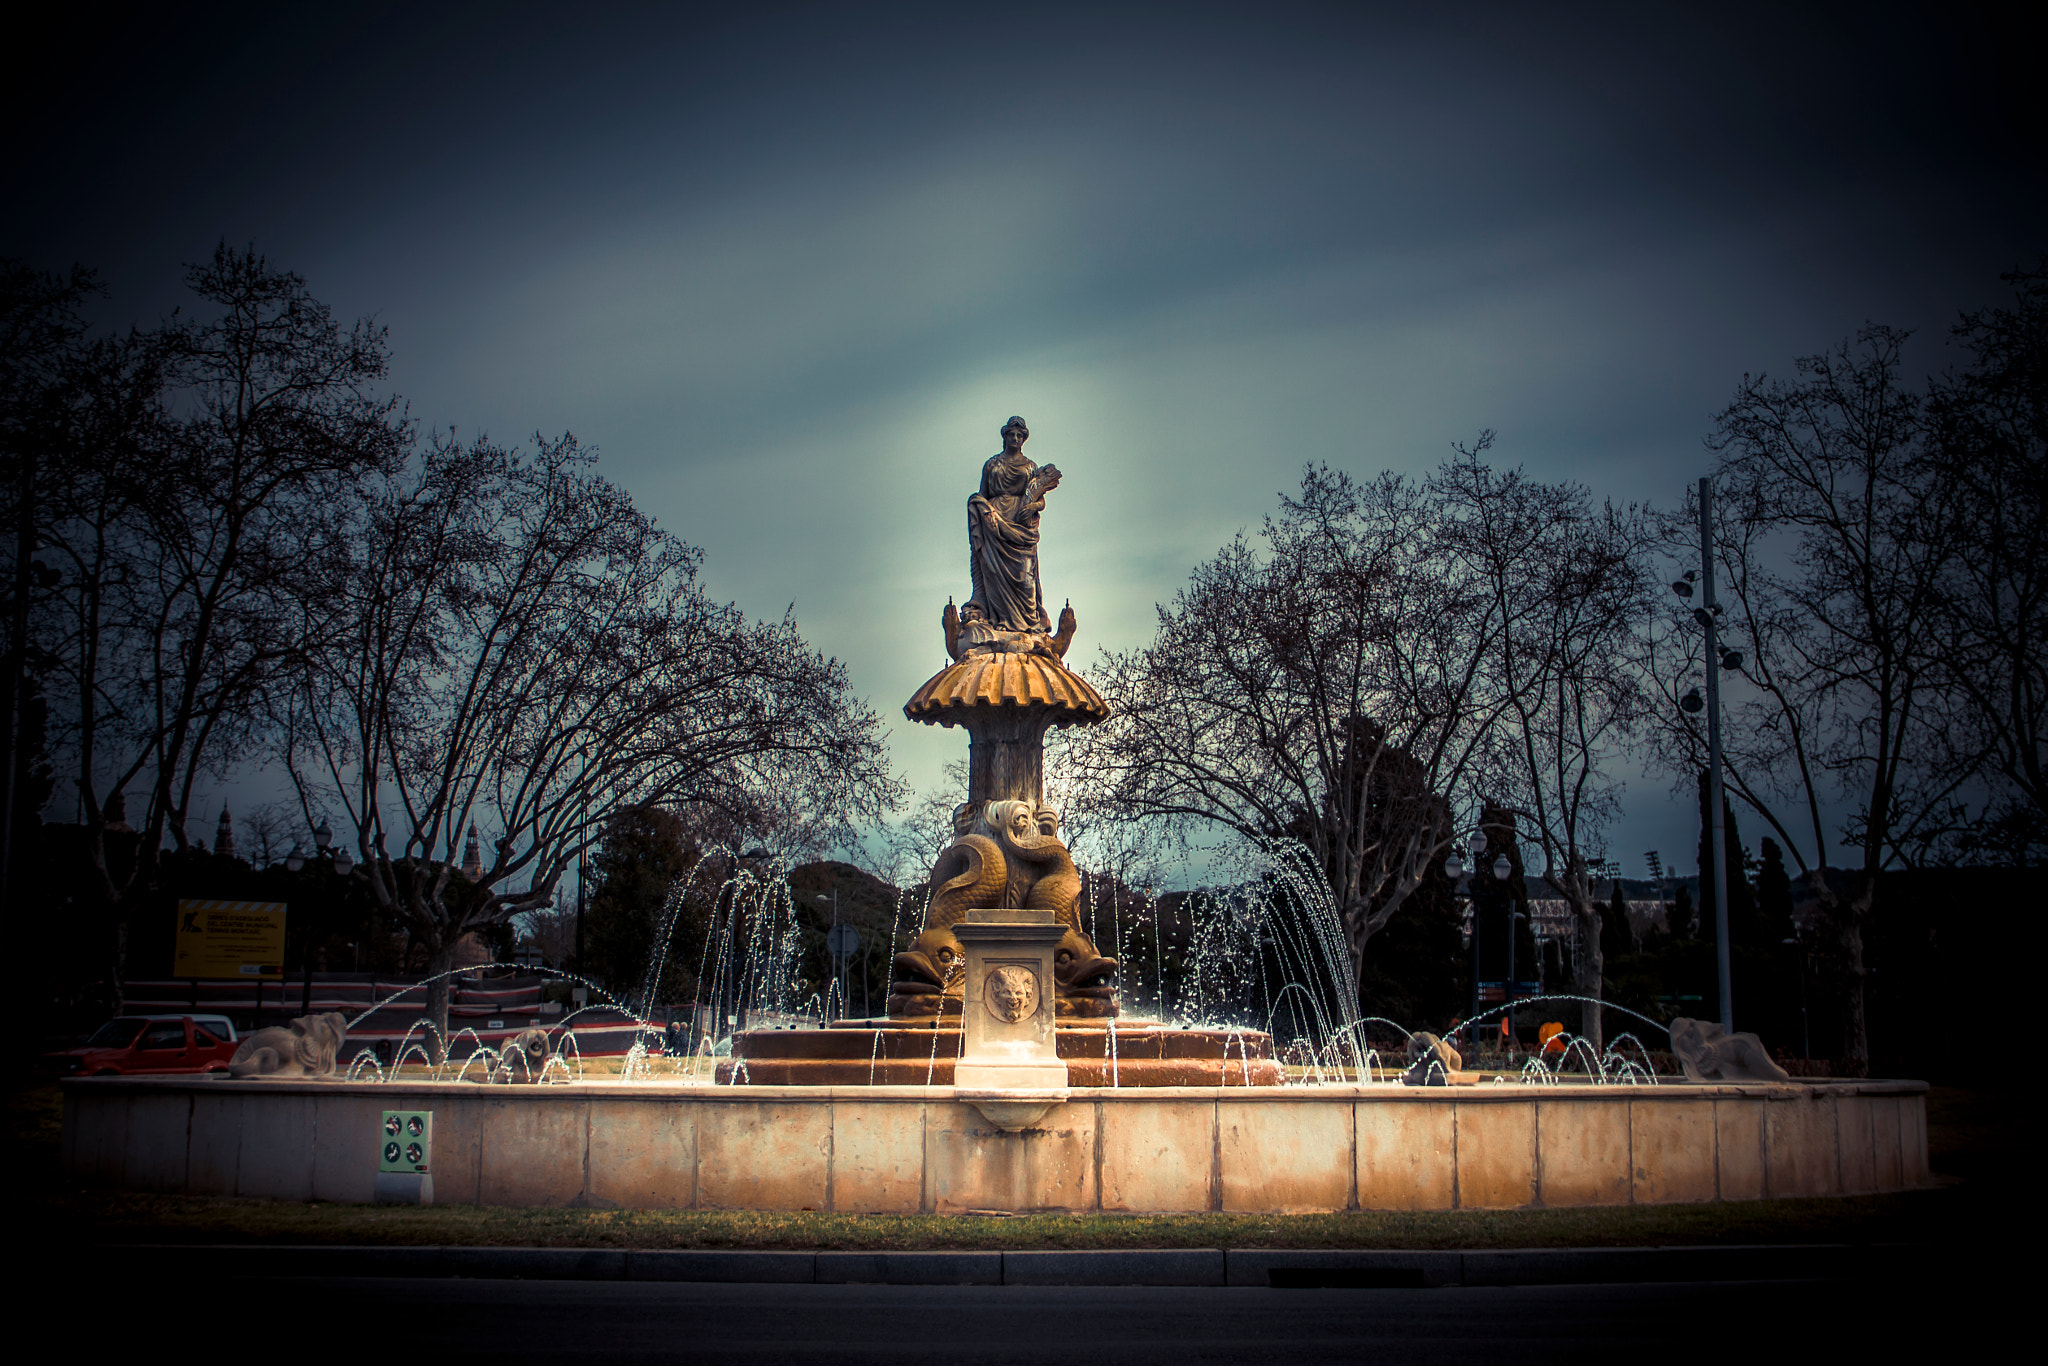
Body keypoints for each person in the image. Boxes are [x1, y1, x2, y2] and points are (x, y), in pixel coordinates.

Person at [966, 416, 1062, 633]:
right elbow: (982, 493)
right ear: (1005, 436)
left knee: (1024, 577)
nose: (1016, 439)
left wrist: (1033, 506)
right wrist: (982, 508)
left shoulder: (1030, 467)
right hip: (995, 521)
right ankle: (997, 620)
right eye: (1012, 435)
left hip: (1021, 522)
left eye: (1020, 435)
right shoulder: (992, 464)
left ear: (1024, 439)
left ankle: (1027, 623)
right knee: (992, 571)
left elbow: (1040, 497)